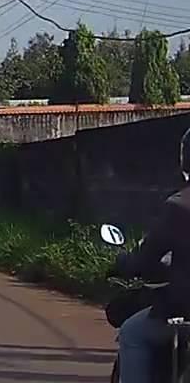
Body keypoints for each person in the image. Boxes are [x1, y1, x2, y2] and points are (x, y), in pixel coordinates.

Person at [115, 126, 190, 383]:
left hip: (184, 311)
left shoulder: (180, 205)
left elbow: (146, 257)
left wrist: (124, 262)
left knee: (132, 333)